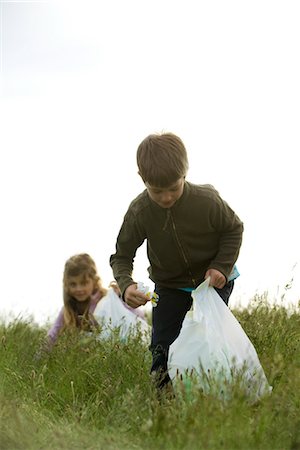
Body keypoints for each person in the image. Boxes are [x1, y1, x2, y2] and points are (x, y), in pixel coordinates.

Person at [109, 132, 244, 389]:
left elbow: (234, 229)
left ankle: (214, 398)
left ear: (185, 172)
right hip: (168, 286)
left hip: (213, 282)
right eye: (157, 191)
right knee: (162, 346)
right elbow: (121, 256)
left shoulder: (207, 200)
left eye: (174, 188)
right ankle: (165, 407)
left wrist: (221, 267)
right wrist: (126, 285)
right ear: (142, 179)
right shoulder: (139, 212)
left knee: (207, 341)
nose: (167, 197)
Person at [47, 253, 146, 348]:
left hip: (121, 347)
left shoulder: (106, 300)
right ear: (66, 285)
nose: (79, 289)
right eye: (73, 284)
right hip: (95, 356)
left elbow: (136, 316)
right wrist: (38, 360)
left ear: (94, 281)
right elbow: (53, 335)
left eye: (84, 283)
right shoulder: (69, 309)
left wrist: (121, 297)